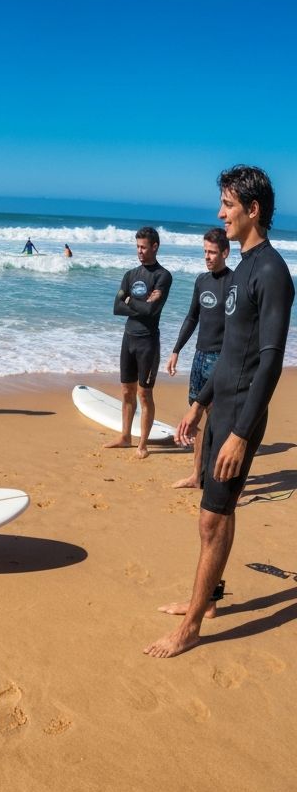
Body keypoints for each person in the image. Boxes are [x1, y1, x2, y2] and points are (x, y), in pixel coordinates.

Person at [146, 165, 293, 658]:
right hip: (221, 407)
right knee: (212, 515)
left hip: (240, 417)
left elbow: (270, 360)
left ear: (253, 209)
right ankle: (205, 602)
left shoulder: (271, 272)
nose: (220, 213)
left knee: (214, 517)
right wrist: (199, 404)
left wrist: (240, 434)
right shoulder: (241, 271)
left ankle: (191, 626)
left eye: (228, 205)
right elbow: (231, 352)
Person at [165, 228, 231, 489]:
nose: (207, 257)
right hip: (199, 356)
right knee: (197, 415)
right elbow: (192, 317)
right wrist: (176, 350)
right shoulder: (202, 280)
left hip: (220, 358)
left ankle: (220, 479)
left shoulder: (234, 283)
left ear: (225, 252)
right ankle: (196, 475)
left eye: (212, 252)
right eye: (205, 251)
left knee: (218, 420)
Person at [104, 226, 172, 459]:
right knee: (126, 391)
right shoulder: (130, 275)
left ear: (155, 247)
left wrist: (130, 300)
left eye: (143, 247)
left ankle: (142, 444)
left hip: (148, 343)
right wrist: (140, 304)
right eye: (137, 247)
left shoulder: (163, 276)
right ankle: (125, 437)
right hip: (129, 339)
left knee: (144, 394)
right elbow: (116, 307)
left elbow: (152, 310)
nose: (139, 251)